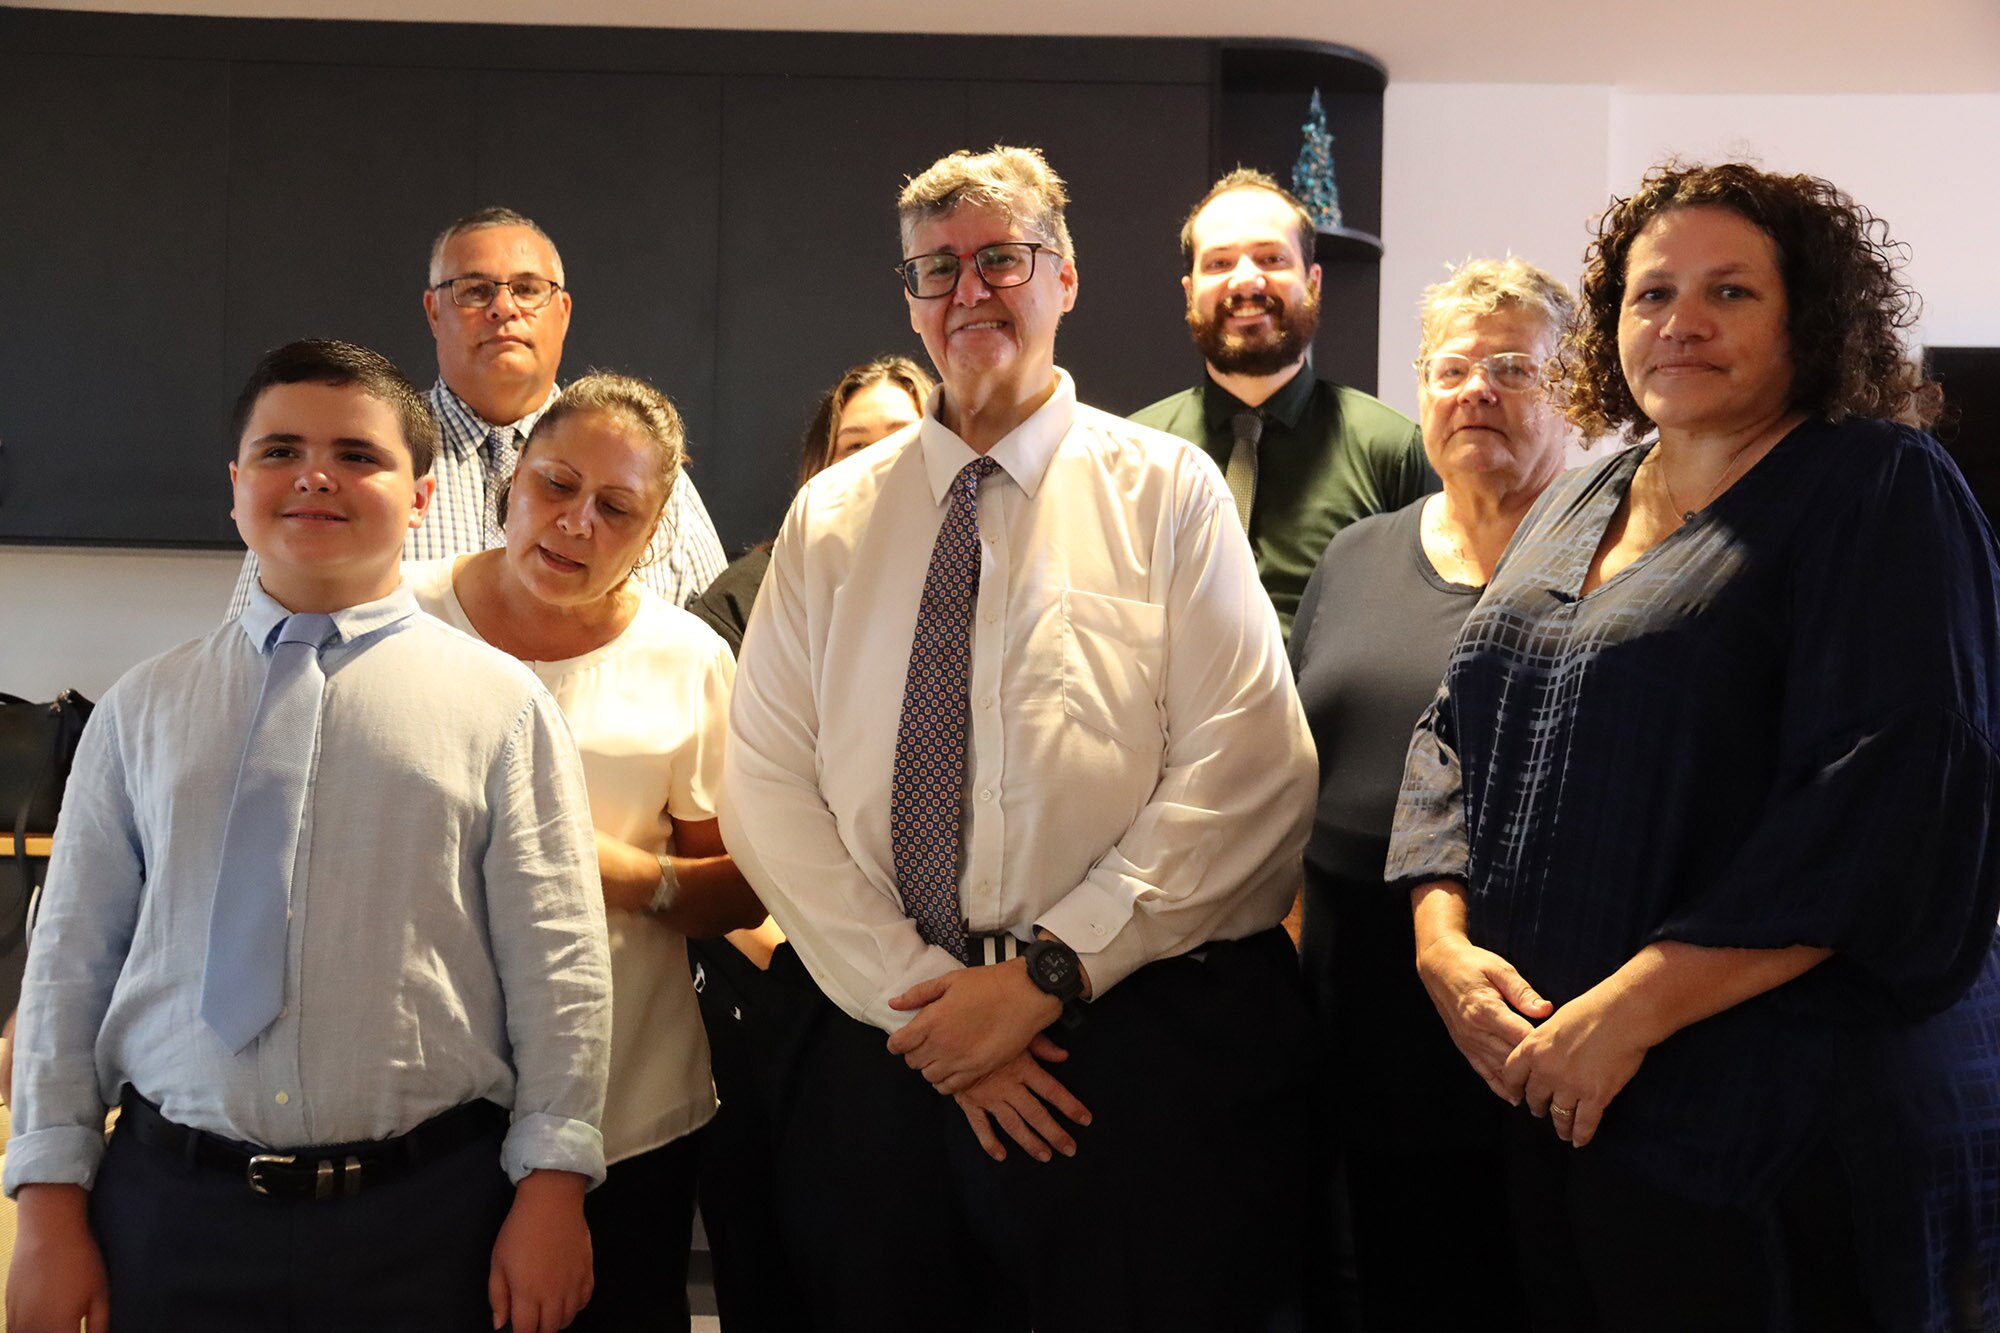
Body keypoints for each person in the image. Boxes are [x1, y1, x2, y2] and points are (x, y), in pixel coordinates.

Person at [1387, 163, 2000, 1332]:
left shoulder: (1879, 489)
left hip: (1770, 1119)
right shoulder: (1585, 494)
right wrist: (1440, 944)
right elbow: (1452, 728)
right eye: (1649, 292)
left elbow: (1887, 794)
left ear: (1804, 318)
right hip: (1561, 1095)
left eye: (1728, 293)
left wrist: (1626, 1012)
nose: (1679, 322)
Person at [720, 145, 1317, 1333]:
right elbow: (766, 787)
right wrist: (933, 1010)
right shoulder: (832, 519)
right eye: (935, 269)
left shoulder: (1165, 492)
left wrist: (1047, 974)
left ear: (1067, 281)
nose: (969, 292)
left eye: (1003, 258)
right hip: (877, 1044)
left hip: (1122, 1038)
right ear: (907, 298)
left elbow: (1248, 769)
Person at [5, 340, 612, 1333]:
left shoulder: (499, 706)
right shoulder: (139, 711)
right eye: (281, 450)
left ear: (419, 496)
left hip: (431, 1214)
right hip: (172, 1209)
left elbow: (561, 965)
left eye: (357, 455)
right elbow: (70, 965)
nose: (316, 475)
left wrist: (552, 1185)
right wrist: (47, 1204)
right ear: (236, 486)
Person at [406, 371, 762, 1332]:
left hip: (625, 1109)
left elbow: (737, 889)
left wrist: (597, 869)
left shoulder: (687, 660)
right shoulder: (398, 621)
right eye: (556, 485)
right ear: (509, 482)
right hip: (418, 1108)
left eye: (617, 507)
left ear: (652, 537)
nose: (576, 522)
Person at [1291, 257, 1572, 1332]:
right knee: (1366, 1278)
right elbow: (1291, 769)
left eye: (1512, 366)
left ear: (1570, 389)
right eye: (1449, 367)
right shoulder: (1358, 556)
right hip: (1349, 996)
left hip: (1528, 1005)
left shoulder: (1617, 561)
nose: (1475, 390)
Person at [225, 206, 726, 616]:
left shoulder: (638, 470)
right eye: (475, 289)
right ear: (433, 311)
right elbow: (259, 635)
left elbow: (721, 641)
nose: (503, 308)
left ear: (563, 312)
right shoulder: (365, 465)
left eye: (529, 289)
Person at [1130, 168, 1433, 639]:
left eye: (1271, 258)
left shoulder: (1395, 451)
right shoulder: (1131, 452)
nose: (1246, 281)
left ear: (1312, 282)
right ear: (1189, 292)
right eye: (1219, 263)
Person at [688, 354, 934, 654]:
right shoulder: (748, 597)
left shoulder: (979, 569)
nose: (879, 462)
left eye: (903, 439)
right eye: (856, 446)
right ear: (822, 465)